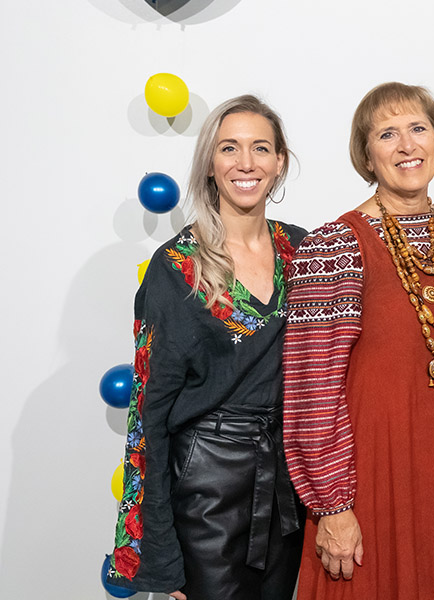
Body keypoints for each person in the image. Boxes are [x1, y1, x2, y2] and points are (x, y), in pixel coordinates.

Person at [282, 81, 434, 600]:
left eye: (418, 129)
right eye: (387, 134)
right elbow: (312, 391)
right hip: (373, 492)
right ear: (367, 154)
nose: (407, 146)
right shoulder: (333, 246)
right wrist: (332, 506)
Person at [104, 95, 307, 599]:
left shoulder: (304, 249)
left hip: (287, 487)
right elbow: (147, 415)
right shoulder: (175, 267)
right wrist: (161, 554)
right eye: (229, 148)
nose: (246, 163)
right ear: (211, 165)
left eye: (261, 148)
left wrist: (430, 214)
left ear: (280, 162)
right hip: (205, 490)